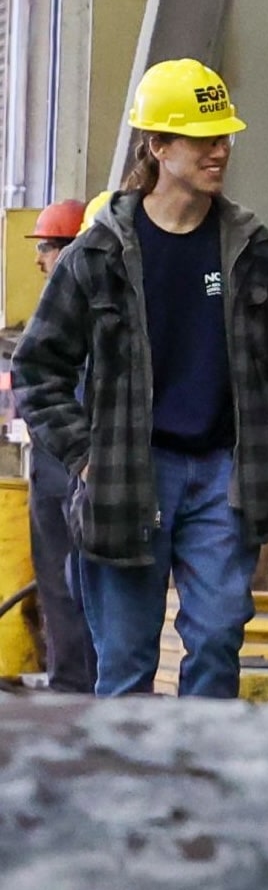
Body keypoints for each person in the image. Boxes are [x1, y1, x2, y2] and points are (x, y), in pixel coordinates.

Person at [12, 60, 268, 697]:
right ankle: (129, 795)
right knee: (123, 661)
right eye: (203, 139)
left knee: (219, 640)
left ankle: (198, 791)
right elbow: (38, 368)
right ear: (159, 147)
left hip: (222, 479)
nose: (220, 151)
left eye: (223, 138)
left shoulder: (254, 251)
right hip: (127, 477)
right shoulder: (98, 254)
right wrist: (88, 458)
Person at [21, 198, 95, 693]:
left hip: (66, 469)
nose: (39, 260)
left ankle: (74, 686)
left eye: (46, 247)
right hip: (69, 465)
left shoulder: (76, 317)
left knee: (69, 582)